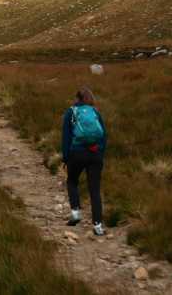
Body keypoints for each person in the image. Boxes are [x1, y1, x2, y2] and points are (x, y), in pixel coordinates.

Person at [61, 87, 107, 236]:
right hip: (95, 154)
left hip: (77, 153)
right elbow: (104, 136)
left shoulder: (71, 112)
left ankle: (75, 213)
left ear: (77, 98)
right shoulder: (95, 112)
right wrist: (99, 153)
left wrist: (66, 158)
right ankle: (98, 225)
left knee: (72, 181)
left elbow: (66, 137)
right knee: (94, 189)